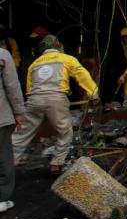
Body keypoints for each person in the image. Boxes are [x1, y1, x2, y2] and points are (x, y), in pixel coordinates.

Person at [12, 35, 99, 176]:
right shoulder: (66, 59)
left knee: (22, 134)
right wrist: (94, 93)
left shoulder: (35, 64)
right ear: (58, 45)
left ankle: (7, 164)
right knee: (65, 131)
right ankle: (56, 164)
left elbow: (29, 87)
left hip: (34, 100)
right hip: (56, 99)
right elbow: (82, 75)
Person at [0, 46, 25, 212]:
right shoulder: (2, 55)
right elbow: (12, 86)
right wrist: (18, 111)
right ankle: (1, 199)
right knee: (3, 156)